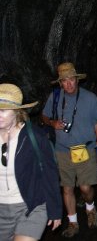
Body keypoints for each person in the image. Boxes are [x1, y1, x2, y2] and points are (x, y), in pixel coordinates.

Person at [41, 62, 97, 238]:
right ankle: (73, 222)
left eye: (71, 79)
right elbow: (44, 116)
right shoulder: (55, 97)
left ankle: (90, 207)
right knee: (67, 188)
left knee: (86, 188)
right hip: (63, 151)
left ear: (77, 80)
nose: (69, 84)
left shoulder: (90, 98)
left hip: (85, 149)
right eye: (64, 81)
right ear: (60, 83)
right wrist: (52, 122)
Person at [0, 83, 62, 240]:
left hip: (32, 206)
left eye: (3, 110)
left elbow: (50, 173)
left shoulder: (34, 137)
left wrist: (54, 209)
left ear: (17, 111)